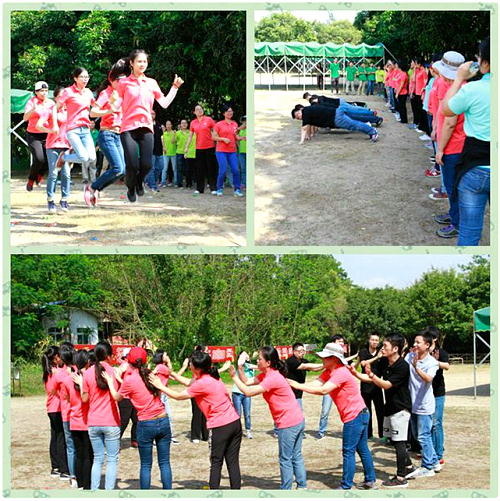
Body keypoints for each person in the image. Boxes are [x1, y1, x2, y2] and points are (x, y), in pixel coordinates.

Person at [288, 342, 376, 490]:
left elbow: (323, 390)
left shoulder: (340, 372)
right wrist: (295, 384)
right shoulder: (329, 371)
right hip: (360, 414)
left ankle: (346, 485)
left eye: (325, 357)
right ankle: (370, 480)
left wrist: (297, 386)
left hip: (355, 416)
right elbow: (317, 383)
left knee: (348, 451)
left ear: (334, 359)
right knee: (362, 449)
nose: (322, 360)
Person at [150, 349, 242, 490]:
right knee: (233, 462)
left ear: (197, 368)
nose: (189, 365)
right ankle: (236, 494)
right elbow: (188, 381)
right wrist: (171, 372)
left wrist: (160, 385)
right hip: (234, 422)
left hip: (221, 425)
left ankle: (214, 493)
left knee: (216, 462)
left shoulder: (202, 383)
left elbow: (179, 396)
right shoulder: (211, 376)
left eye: (191, 364)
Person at [229, 346, 307, 490]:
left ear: (268, 362)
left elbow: (248, 392)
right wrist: (240, 368)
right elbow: (246, 381)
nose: (257, 361)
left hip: (288, 422)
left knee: (285, 459)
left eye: (259, 359)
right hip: (296, 419)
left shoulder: (272, 377)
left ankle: (286, 491)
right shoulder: (267, 374)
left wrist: (233, 377)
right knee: (296, 456)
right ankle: (302, 487)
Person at [115, 49, 184, 203]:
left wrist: (175, 87)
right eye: (139, 61)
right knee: (132, 165)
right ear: (131, 63)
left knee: (146, 165)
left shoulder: (151, 83)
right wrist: (112, 102)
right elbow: (116, 106)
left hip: (146, 127)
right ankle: (131, 188)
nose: (142, 64)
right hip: (128, 128)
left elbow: (164, 103)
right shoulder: (124, 83)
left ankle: (140, 182)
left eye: (144, 61)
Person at [349, 333, 414, 489]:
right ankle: (410, 467)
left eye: (385, 345)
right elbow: (371, 377)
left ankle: (400, 477)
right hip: (390, 407)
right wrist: (355, 373)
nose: (382, 348)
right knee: (393, 440)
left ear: (395, 348)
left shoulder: (403, 366)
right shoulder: (385, 361)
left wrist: (371, 374)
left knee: (399, 443)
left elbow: (386, 385)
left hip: (401, 408)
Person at [442, 36, 490, 246]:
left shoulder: (473, 89)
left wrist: (459, 80)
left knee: (469, 234)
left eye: (479, 57)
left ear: (485, 63)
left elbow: (446, 109)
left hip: (474, 167)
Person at [103, 347, 173, 490]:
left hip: (146, 423)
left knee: (146, 465)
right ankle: (168, 494)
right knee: (165, 462)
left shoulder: (129, 380)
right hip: (163, 419)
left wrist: (112, 381)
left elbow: (117, 397)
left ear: (128, 361)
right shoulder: (152, 374)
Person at [432, 51, 466, 239]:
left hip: (454, 146)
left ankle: (458, 223)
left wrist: (441, 150)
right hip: (456, 144)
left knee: (453, 187)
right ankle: (454, 215)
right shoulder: (461, 86)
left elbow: (450, 123)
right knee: (452, 186)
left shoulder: (457, 90)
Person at [86, 58, 128, 206]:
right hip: (107, 135)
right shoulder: (106, 93)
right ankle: (92, 187)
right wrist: (109, 109)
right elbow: (93, 113)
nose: (122, 84)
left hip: (118, 135)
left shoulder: (122, 96)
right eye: (119, 81)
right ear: (112, 80)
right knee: (117, 167)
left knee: (121, 171)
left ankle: (95, 189)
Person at [55, 68, 110, 180]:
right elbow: (55, 108)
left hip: (85, 129)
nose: (85, 79)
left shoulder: (88, 92)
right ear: (75, 78)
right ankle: (64, 158)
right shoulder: (68, 91)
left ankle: (66, 157)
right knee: (84, 157)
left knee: (92, 157)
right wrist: (53, 124)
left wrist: (110, 106)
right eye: (82, 77)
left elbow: (96, 107)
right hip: (73, 129)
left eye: (87, 77)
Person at [80, 341, 121, 490]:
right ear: (109, 356)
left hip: (93, 421)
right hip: (111, 420)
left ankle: (95, 490)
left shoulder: (88, 373)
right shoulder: (113, 372)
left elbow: (84, 399)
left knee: (97, 459)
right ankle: (109, 492)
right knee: (112, 460)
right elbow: (118, 394)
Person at [404, 330, 441, 479]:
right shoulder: (410, 356)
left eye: (418, 342)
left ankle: (427, 467)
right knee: (418, 435)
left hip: (425, 406)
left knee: (424, 436)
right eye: (414, 342)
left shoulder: (432, 362)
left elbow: (428, 379)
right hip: (412, 403)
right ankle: (434, 461)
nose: (415, 345)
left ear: (427, 345)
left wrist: (416, 367)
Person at [36, 85, 72, 214]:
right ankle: (50, 200)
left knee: (66, 174)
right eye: (61, 96)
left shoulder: (70, 111)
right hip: (53, 145)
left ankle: (64, 200)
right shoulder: (51, 110)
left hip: (67, 146)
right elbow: (38, 125)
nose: (64, 99)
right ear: (56, 98)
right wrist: (50, 130)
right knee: (54, 173)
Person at [65, 349, 94, 490]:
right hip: (89, 421)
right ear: (88, 362)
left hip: (74, 420)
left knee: (79, 454)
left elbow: (67, 398)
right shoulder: (90, 376)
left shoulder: (67, 378)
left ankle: (80, 483)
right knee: (89, 455)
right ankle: (88, 485)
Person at [42, 345, 70, 480]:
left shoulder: (48, 372)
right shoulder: (57, 372)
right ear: (56, 357)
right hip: (58, 408)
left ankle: (55, 467)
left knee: (54, 437)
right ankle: (64, 469)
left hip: (51, 408)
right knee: (61, 438)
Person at [52, 343, 77, 487]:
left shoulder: (59, 374)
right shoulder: (79, 371)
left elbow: (53, 391)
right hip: (80, 415)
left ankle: (72, 476)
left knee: (70, 446)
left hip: (66, 414)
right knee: (80, 446)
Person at [291, 104, 379, 144]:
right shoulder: (307, 111)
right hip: (335, 114)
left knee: (354, 125)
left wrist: (301, 142)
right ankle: (371, 130)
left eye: (298, 114)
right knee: (353, 125)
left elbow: (304, 128)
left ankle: (372, 131)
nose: (299, 117)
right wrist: (309, 136)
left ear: (300, 110)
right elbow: (309, 126)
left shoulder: (305, 113)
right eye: (297, 118)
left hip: (336, 117)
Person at [24, 81, 54, 191]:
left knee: (50, 159)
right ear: (36, 92)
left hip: (47, 134)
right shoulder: (31, 102)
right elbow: (25, 118)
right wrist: (33, 108)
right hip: (33, 135)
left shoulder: (51, 103)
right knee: (39, 158)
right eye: (41, 91)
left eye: (46, 91)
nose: (44, 93)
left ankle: (40, 175)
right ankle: (31, 179)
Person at [355, 334, 385, 442]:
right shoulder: (363, 352)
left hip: (377, 386)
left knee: (380, 411)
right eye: (373, 340)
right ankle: (368, 434)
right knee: (367, 412)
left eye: (377, 340)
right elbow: (363, 364)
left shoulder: (382, 353)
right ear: (369, 341)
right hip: (365, 387)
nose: (375, 342)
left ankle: (382, 435)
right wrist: (377, 357)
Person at [212, 104, 244, 197]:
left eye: (231, 111)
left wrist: (242, 138)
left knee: (235, 170)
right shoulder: (219, 124)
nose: (230, 113)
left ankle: (237, 189)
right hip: (221, 151)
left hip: (232, 151)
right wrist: (223, 139)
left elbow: (236, 136)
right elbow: (213, 137)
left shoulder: (235, 124)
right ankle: (219, 189)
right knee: (223, 170)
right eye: (228, 111)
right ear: (224, 113)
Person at [185, 104, 218, 195]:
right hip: (199, 148)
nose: (200, 110)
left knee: (211, 168)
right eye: (197, 109)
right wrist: (186, 147)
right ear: (194, 112)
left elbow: (216, 130)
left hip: (210, 147)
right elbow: (190, 136)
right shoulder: (193, 122)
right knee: (199, 169)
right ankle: (200, 189)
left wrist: (219, 139)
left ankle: (213, 188)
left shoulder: (209, 119)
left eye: (201, 109)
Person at [429, 328, 450, 465]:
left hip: (438, 393)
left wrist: (435, 362)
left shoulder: (440, 352)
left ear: (434, 338)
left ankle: (438, 454)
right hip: (425, 394)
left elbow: (447, 366)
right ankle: (430, 451)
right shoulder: (422, 353)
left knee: (436, 423)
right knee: (427, 424)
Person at [152, 349, 180, 444]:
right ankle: (166, 436)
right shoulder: (162, 367)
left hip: (161, 394)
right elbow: (172, 373)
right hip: (161, 394)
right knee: (166, 416)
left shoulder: (160, 367)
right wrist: (169, 362)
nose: (167, 357)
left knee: (163, 415)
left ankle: (166, 436)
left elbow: (173, 377)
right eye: (165, 355)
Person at [303, 93, 383, 125]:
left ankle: (370, 112)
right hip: (339, 106)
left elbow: (328, 105)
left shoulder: (319, 100)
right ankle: (371, 114)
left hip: (339, 106)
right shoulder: (318, 99)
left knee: (355, 110)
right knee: (355, 112)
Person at [232, 351, 257, 439]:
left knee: (247, 414)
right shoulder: (241, 365)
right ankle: (237, 431)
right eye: (244, 355)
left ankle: (248, 431)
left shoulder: (250, 366)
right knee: (238, 414)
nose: (246, 356)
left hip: (247, 392)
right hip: (237, 392)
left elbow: (256, 368)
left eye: (247, 354)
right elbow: (244, 364)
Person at [144, 110, 166, 192]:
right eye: (151, 113)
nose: (153, 115)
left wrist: (164, 147)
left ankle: (150, 182)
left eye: (154, 113)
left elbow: (162, 137)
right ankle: (153, 186)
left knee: (160, 167)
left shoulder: (159, 124)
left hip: (159, 150)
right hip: (150, 150)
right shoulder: (146, 124)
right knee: (151, 168)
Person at [173, 119, 190, 188]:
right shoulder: (177, 133)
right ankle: (179, 183)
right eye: (182, 123)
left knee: (187, 168)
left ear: (187, 124)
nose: (184, 124)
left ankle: (188, 183)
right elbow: (172, 141)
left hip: (188, 152)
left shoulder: (190, 132)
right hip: (179, 152)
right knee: (179, 168)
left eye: (185, 123)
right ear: (180, 124)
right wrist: (174, 135)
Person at [161, 120, 177, 188]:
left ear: (171, 125)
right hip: (165, 153)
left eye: (169, 124)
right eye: (167, 124)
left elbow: (173, 142)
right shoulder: (163, 133)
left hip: (173, 153)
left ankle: (176, 182)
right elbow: (162, 141)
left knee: (174, 168)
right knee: (164, 168)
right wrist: (164, 147)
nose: (168, 126)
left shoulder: (174, 133)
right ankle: (163, 182)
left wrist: (174, 134)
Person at [237, 116, 247, 189]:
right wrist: (238, 146)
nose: (245, 122)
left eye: (246, 120)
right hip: (242, 151)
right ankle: (243, 183)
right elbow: (237, 138)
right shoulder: (240, 130)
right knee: (243, 168)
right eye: (243, 120)